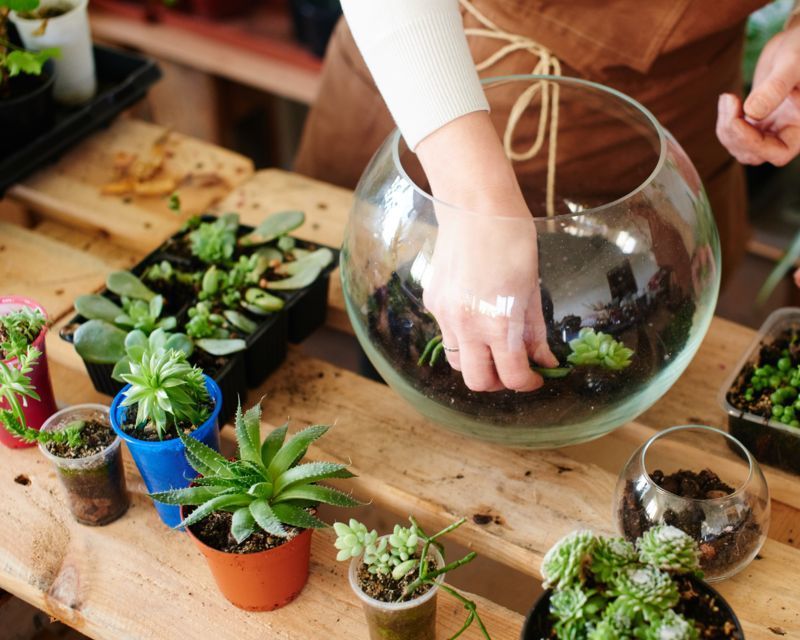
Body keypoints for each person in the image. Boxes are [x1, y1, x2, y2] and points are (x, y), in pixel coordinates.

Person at [296, 0, 800, 393]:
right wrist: (474, 202)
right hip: (433, 78)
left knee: (646, 352)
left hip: (668, 129)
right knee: (415, 336)